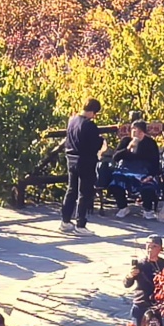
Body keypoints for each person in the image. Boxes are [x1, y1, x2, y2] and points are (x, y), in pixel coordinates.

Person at [61, 98, 104, 232]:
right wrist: (101, 140)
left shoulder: (72, 120)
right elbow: (95, 145)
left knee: (71, 189)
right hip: (85, 160)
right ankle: (80, 224)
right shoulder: (89, 125)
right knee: (84, 192)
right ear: (92, 112)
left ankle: (65, 220)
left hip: (71, 158)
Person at [125, 235, 164, 326]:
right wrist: (130, 276)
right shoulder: (140, 265)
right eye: (148, 246)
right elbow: (127, 284)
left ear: (160, 248)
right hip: (141, 304)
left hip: (159, 307)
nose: (150, 249)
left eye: (154, 246)